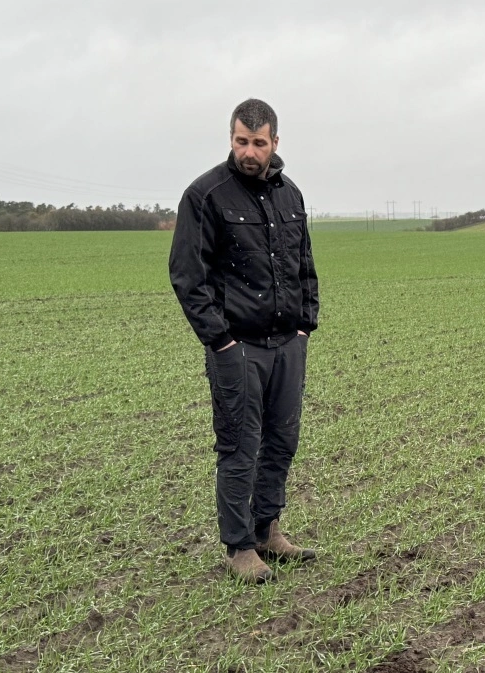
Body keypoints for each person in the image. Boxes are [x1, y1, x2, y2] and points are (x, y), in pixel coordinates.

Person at [169, 98, 319, 583]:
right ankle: (239, 547)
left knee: (282, 441)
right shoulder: (205, 195)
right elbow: (188, 276)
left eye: (258, 143)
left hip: (287, 343)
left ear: (275, 142)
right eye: (241, 141)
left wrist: (305, 326)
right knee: (239, 445)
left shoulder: (290, 195)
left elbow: (304, 265)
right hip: (238, 347)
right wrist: (220, 341)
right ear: (231, 139)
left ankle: (267, 530)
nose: (249, 152)